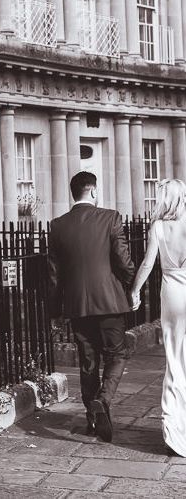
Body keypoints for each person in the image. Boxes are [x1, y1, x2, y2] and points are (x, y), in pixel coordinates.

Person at [48, 171, 135, 442]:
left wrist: (55, 311)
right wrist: (132, 286)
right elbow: (124, 261)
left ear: (73, 193)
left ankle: (92, 418)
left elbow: (53, 274)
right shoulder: (110, 217)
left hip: (77, 306)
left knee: (88, 362)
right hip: (110, 302)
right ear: (94, 191)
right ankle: (103, 400)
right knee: (117, 355)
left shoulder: (58, 225)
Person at [130, 179, 186, 457]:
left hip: (173, 294)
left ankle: (175, 434)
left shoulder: (158, 226)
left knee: (175, 362)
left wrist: (135, 291)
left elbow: (147, 263)